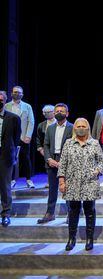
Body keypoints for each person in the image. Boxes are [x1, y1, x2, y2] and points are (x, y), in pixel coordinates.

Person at [58, 118, 103, 251]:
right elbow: (63, 163)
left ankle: (89, 239)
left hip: (89, 182)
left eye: (83, 126)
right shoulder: (68, 143)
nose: (81, 128)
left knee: (90, 211)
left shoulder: (94, 143)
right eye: (78, 126)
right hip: (72, 182)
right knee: (73, 211)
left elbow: (102, 161)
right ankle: (71, 238)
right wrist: (62, 181)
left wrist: (96, 171)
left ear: (88, 128)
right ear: (74, 128)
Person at [38, 103, 73, 224]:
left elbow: (74, 146)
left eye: (61, 111)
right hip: (52, 160)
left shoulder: (72, 128)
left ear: (67, 113)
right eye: (57, 111)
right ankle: (50, 213)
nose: (59, 113)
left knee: (68, 189)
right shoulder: (50, 128)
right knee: (52, 189)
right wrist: (48, 159)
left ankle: (71, 213)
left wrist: (63, 161)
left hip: (67, 161)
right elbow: (46, 145)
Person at [6, 86, 35, 189]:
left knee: (26, 158)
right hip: (10, 137)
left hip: (23, 137)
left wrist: (28, 135)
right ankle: (12, 180)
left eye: (19, 92)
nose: (17, 94)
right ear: (11, 93)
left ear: (22, 94)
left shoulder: (27, 106)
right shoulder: (6, 106)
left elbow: (31, 122)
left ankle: (29, 180)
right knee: (11, 158)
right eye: (15, 92)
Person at [0, 90, 21, 227]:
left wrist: (13, 154)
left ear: (5, 101)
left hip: (5, 154)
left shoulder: (13, 118)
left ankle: (6, 214)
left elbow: (16, 138)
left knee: (5, 185)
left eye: (1, 100)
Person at [36, 104, 56, 189]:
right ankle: (50, 181)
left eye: (49, 112)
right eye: (45, 112)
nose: (47, 114)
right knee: (48, 165)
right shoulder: (41, 125)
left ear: (54, 113)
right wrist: (40, 148)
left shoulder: (59, 122)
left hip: (59, 147)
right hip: (47, 148)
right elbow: (38, 137)